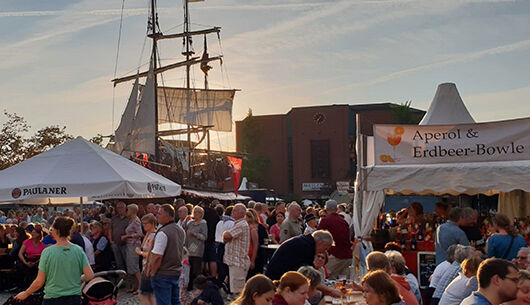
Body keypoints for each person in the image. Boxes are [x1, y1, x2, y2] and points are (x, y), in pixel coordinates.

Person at [14, 216, 94, 305]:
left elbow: (39, 282)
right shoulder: (78, 250)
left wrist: (26, 293)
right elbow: (90, 275)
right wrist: (79, 279)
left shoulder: (48, 252)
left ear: (56, 231)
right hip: (74, 298)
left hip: (52, 298)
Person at [147, 204, 186, 305]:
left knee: (164, 302)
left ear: (168, 215)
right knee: (175, 301)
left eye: (160, 213)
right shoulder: (180, 230)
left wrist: (153, 273)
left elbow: (157, 257)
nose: (157, 216)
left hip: (163, 273)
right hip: (175, 271)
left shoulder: (163, 232)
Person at [266, 230, 334, 281]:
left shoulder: (305, 241)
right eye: (325, 248)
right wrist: (329, 290)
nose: (324, 251)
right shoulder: (306, 247)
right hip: (277, 279)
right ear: (320, 242)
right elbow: (307, 276)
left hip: (276, 275)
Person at [317, 199, 353, 279]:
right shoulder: (343, 221)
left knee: (325, 277)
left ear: (326, 209)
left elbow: (316, 236)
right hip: (347, 256)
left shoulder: (325, 221)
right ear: (336, 209)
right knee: (342, 280)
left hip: (335, 255)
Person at [223, 203, 251, 295]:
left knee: (238, 291)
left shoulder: (241, 224)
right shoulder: (237, 223)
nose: (232, 212)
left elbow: (227, 235)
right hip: (234, 261)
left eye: (234, 210)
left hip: (238, 262)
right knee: (235, 289)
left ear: (241, 213)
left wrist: (226, 235)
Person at [136, 213, 157, 305]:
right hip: (146, 267)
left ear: (152, 223)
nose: (144, 226)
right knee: (150, 295)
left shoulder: (152, 236)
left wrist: (140, 253)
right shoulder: (148, 234)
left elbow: (151, 254)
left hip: (150, 268)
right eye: (143, 224)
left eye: (146, 224)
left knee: (143, 295)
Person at [186, 206, 208, 291]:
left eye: (198, 212)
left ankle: (200, 287)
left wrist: (195, 234)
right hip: (188, 248)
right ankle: (189, 285)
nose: (196, 214)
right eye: (195, 212)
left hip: (197, 248)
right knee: (189, 268)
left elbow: (204, 237)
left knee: (196, 269)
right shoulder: (190, 223)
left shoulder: (203, 223)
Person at [122, 204, 143, 293]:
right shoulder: (131, 220)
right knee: (131, 267)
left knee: (135, 267)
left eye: (127, 210)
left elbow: (140, 234)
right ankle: (135, 287)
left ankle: (141, 287)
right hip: (130, 245)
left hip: (134, 246)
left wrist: (128, 236)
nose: (126, 211)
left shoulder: (136, 221)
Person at [215, 205, 234, 290]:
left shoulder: (220, 222)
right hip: (226, 245)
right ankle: (227, 286)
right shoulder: (232, 223)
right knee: (227, 267)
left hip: (218, 246)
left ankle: (219, 284)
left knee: (220, 267)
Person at [111, 201, 129, 271]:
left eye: (121, 207)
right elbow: (110, 229)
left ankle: (129, 277)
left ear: (125, 208)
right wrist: (111, 240)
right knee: (118, 262)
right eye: (118, 208)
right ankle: (121, 277)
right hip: (115, 243)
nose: (120, 209)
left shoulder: (129, 219)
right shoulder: (114, 218)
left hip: (125, 244)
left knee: (126, 260)